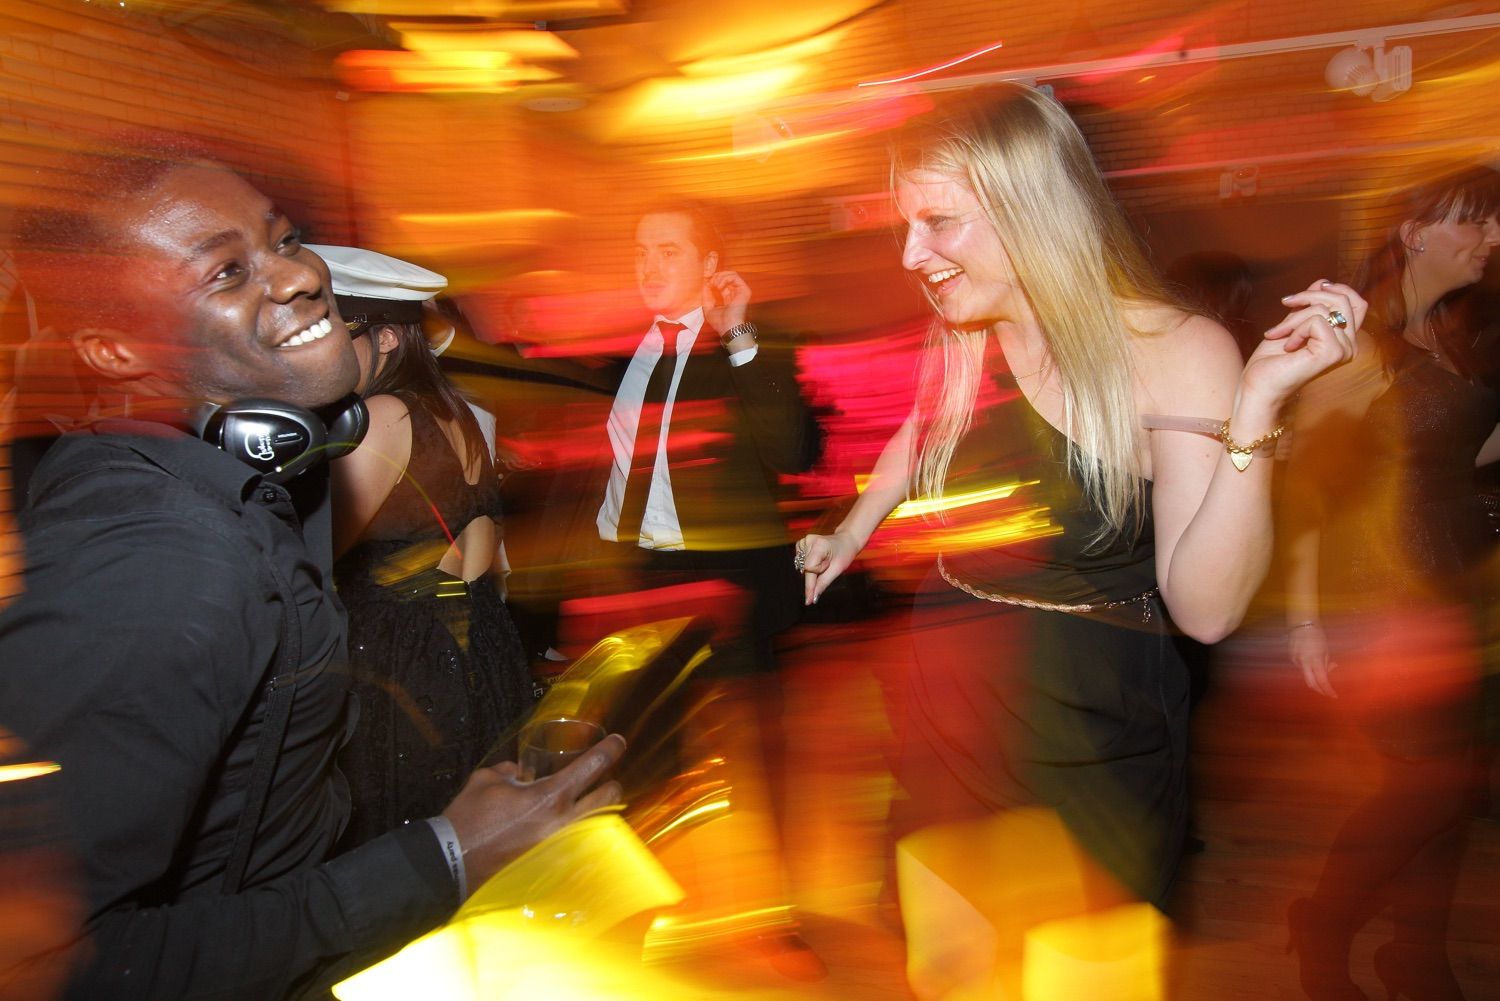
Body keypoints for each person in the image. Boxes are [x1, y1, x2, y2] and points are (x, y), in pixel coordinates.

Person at [0, 141, 623, 999]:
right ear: (114, 352)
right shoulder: (162, 565)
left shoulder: (269, 479)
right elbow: (43, 961)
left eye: (284, 239)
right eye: (224, 273)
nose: (296, 277)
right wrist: (444, 855)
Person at [795, 84, 1358, 915]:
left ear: (1033, 211)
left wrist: (1255, 412)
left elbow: (1207, 611)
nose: (910, 255)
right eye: (906, 224)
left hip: (1090, 722)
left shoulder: (1175, 350)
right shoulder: (959, 333)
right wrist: (853, 526)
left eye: (939, 222)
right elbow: (921, 433)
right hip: (948, 699)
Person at [543, 199, 821, 974]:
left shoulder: (750, 345)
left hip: (726, 580)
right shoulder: (622, 351)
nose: (648, 264)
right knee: (646, 751)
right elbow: (604, 462)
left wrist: (738, 334)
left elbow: (790, 449)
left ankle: (774, 919)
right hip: (641, 574)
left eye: (669, 249)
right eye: (640, 248)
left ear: (709, 264)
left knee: (753, 760)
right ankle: (642, 911)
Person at [1281, 165, 1500, 1001]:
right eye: (1475, 224)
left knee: (1452, 792)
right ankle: (1325, 923)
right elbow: (1311, 491)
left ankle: (1417, 954)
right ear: (1415, 234)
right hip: (1375, 603)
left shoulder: (1452, 332)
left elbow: (1457, 451)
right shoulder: (1359, 339)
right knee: (1422, 790)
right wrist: (1306, 622)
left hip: (1450, 596)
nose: (1494, 240)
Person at [314, 245, 535, 849]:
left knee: (407, 846)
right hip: (472, 645)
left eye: (334, 330)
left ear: (385, 339)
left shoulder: (381, 416)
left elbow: (308, 559)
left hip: (404, 667)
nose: (318, 349)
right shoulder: (452, 410)